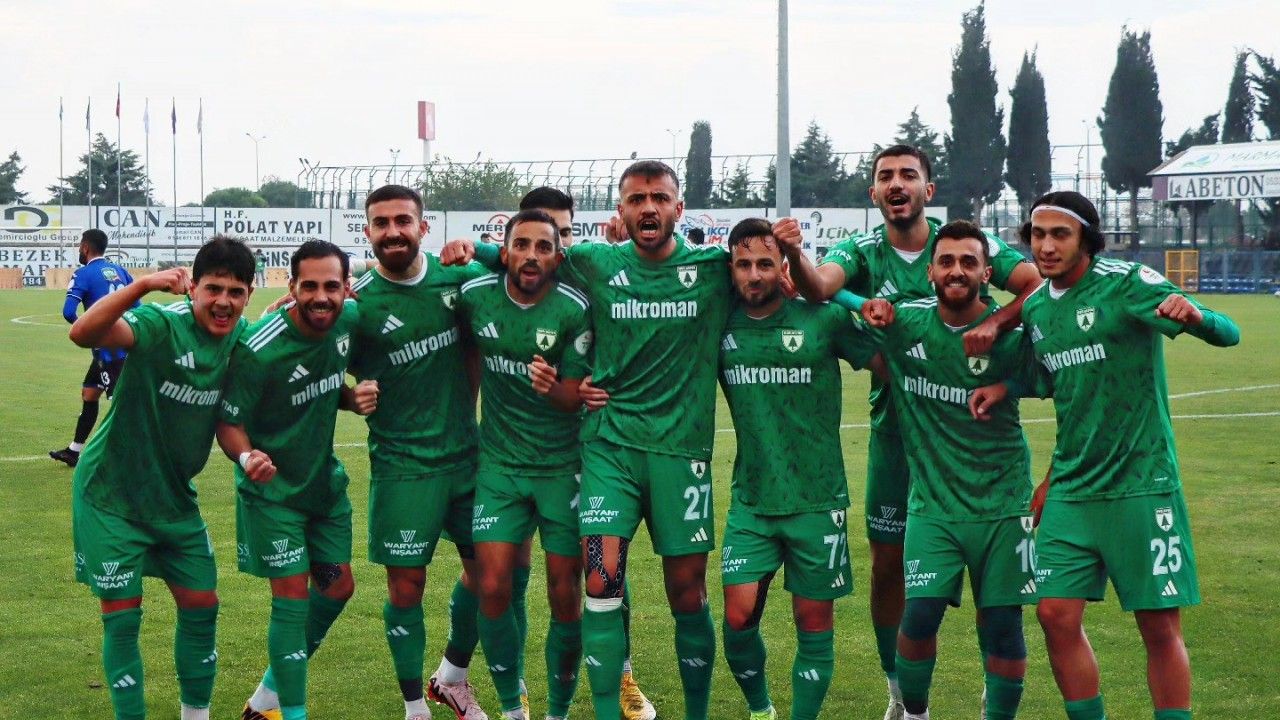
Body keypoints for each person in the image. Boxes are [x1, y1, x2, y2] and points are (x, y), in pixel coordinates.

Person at [445, 161, 731, 720]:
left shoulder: (714, 268)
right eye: (637, 199)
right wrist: (473, 249)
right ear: (620, 211)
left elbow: (767, 281)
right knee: (598, 582)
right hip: (607, 452)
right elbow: (526, 261)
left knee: (688, 594)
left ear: (679, 207)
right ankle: (577, 700)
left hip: (681, 456)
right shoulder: (594, 263)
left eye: (659, 197)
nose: (648, 207)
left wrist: (800, 273)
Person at [786, 144, 1042, 719]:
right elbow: (818, 287)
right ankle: (898, 694)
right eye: (886, 176)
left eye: (908, 174)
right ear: (874, 193)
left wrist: (996, 322)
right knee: (887, 566)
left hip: (974, 438)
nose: (896, 183)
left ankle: (993, 687)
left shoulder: (962, 245)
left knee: (996, 593)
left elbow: (1036, 283)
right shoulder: (862, 250)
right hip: (897, 432)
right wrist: (860, 301)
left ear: (929, 188)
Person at [972, 191, 1240, 720]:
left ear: (1086, 240)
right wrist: (1007, 389)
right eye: (1038, 235)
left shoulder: (1127, 283)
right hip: (1072, 489)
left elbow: (1228, 333)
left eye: (1060, 235)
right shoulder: (1038, 307)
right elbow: (1055, 380)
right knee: (1054, 615)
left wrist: (1196, 316)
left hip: (1141, 484)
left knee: (1158, 626)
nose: (1046, 246)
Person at [68, 236, 256, 720]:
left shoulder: (241, 339)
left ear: (248, 295)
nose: (223, 302)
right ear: (193, 288)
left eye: (235, 292)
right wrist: (143, 285)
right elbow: (84, 332)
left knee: (202, 604)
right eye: (213, 289)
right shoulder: (160, 324)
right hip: (110, 494)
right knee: (122, 618)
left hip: (173, 498)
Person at [717, 218, 873, 720]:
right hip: (752, 499)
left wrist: (847, 299)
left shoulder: (822, 318)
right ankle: (761, 710)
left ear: (783, 266)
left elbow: (888, 360)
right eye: (744, 265)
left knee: (813, 624)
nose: (754, 275)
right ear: (730, 269)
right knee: (737, 619)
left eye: (765, 263)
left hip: (818, 499)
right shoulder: (719, 324)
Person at [347, 184, 491, 720]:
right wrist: (348, 397)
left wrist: (478, 250)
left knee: (492, 573)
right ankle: (414, 707)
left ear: (423, 227)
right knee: (406, 586)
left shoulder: (457, 280)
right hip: (401, 467)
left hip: (467, 458)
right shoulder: (357, 304)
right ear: (367, 231)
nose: (392, 232)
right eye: (381, 223)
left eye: (402, 221)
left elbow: (522, 286)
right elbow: (312, 363)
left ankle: (452, 675)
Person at [217, 240, 378, 720]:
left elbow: (325, 381)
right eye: (309, 286)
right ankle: (292, 713)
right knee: (290, 603)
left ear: (346, 288)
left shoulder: (347, 320)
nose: (321, 296)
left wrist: (351, 398)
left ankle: (265, 700)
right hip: (273, 495)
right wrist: (246, 456)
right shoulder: (259, 348)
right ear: (291, 287)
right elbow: (228, 421)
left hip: (322, 488)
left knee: (337, 588)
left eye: (331, 286)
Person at [516, 185, 656, 720]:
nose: (556, 245)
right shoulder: (504, 284)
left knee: (605, 566)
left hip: (593, 445)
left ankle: (622, 675)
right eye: (544, 235)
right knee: (504, 572)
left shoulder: (593, 275)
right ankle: (502, 682)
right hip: (522, 452)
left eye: (565, 233)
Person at [457, 209, 591, 720]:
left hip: (562, 468)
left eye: (543, 247)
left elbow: (577, 395)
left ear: (558, 256)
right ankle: (513, 709)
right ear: (505, 250)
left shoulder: (574, 308)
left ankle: (557, 711)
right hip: (500, 468)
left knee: (565, 595)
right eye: (522, 245)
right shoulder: (475, 295)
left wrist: (552, 388)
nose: (531, 256)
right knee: (492, 586)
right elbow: (417, 288)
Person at [50, 228, 136, 468]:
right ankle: (74, 451)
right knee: (90, 394)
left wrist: (90, 331)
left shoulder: (83, 274)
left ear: (86, 247)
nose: (79, 249)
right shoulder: (120, 271)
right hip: (122, 345)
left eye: (80, 245)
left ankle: (129, 458)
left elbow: (69, 312)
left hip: (110, 351)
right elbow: (138, 308)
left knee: (120, 405)